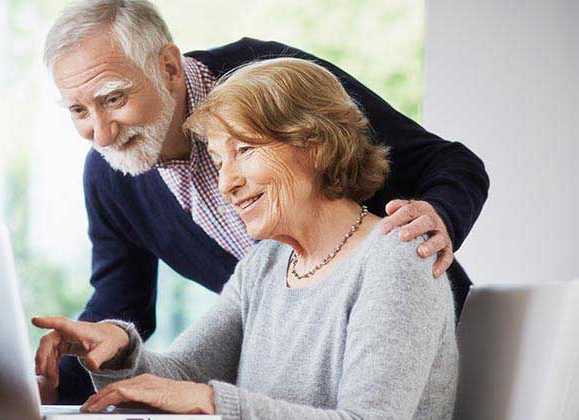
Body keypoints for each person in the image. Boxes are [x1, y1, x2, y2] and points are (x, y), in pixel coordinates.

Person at [40, 0, 487, 404]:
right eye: (78, 111)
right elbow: (159, 348)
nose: (100, 134)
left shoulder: (275, 81)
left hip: (411, 331)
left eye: (114, 98)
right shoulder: (263, 266)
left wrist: (431, 222)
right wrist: (82, 363)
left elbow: (447, 162)